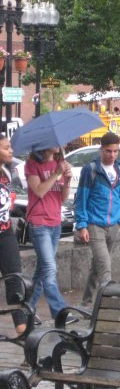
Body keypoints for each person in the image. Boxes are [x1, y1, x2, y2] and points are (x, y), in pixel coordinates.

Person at [74, 132, 120, 308]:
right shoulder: (90, 170)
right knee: (105, 265)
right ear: (101, 150)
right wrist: (82, 225)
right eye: (108, 151)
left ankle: (86, 303)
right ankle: (107, 305)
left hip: (114, 224)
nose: (112, 155)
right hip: (94, 224)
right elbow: (81, 198)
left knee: (97, 266)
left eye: (115, 151)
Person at [25, 147, 77, 325]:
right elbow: (39, 191)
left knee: (42, 270)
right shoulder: (32, 164)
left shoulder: (58, 163)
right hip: (39, 223)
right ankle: (60, 312)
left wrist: (67, 180)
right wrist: (56, 173)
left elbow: (61, 198)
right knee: (49, 268)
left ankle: (27, 310)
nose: (59, 144)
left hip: (55, 223)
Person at [0, 135, 27, 336]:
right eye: (6, 148)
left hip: (5, 232)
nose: (11, 151)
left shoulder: (6, 173)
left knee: (15, 278)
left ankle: (23, 332)